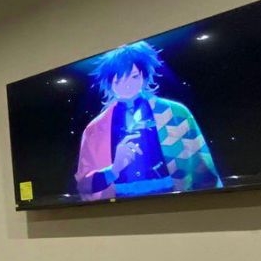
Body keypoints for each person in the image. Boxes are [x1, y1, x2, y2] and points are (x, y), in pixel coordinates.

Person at [74, 41, 220, 201]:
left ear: (144, 76)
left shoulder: (176, 113)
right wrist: (113, 170)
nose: (127, 85)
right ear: (109, 83)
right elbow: (84, 186)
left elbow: (204, 171)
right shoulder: (95, 128)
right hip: (118, 208)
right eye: (118, 80)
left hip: (177, 203)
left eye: (134, 77)